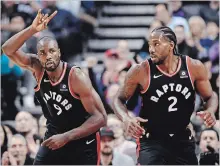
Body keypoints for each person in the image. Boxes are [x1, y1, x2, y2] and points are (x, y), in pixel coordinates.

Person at [2, 9, 107, 165]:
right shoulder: (37, 68)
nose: (48, 56)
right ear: (38, 55)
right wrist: (32, 29)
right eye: (43, 53)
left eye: (51, 51)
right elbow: (7, 49)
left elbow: (100, 118)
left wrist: (66, 137)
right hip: (55, 133)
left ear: (58, 53)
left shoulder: (75, 77)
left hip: (83, 138)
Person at [112, 26, 218, 165]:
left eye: (156, 44)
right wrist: (126, 118)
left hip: (182, 139)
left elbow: (211, 96)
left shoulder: (193, 67)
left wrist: (211, 110)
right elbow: (118, 99)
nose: (151, 49)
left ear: (171, 45)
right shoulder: (140, 70)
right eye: (150, 45)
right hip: (151, 141)